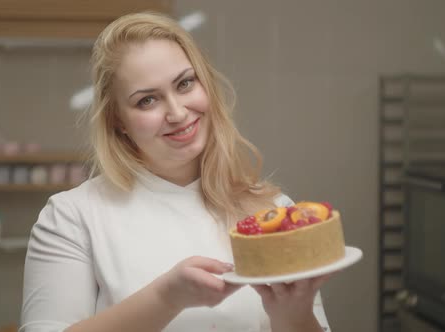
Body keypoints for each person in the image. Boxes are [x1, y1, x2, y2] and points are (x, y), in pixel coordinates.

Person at [20, 11, 332, 332]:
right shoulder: (72, 217)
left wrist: (292, 314)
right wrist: (166, 298)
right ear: (117, 120)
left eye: (185, 84)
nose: (178, 112)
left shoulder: (274, 213)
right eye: (147, 101)